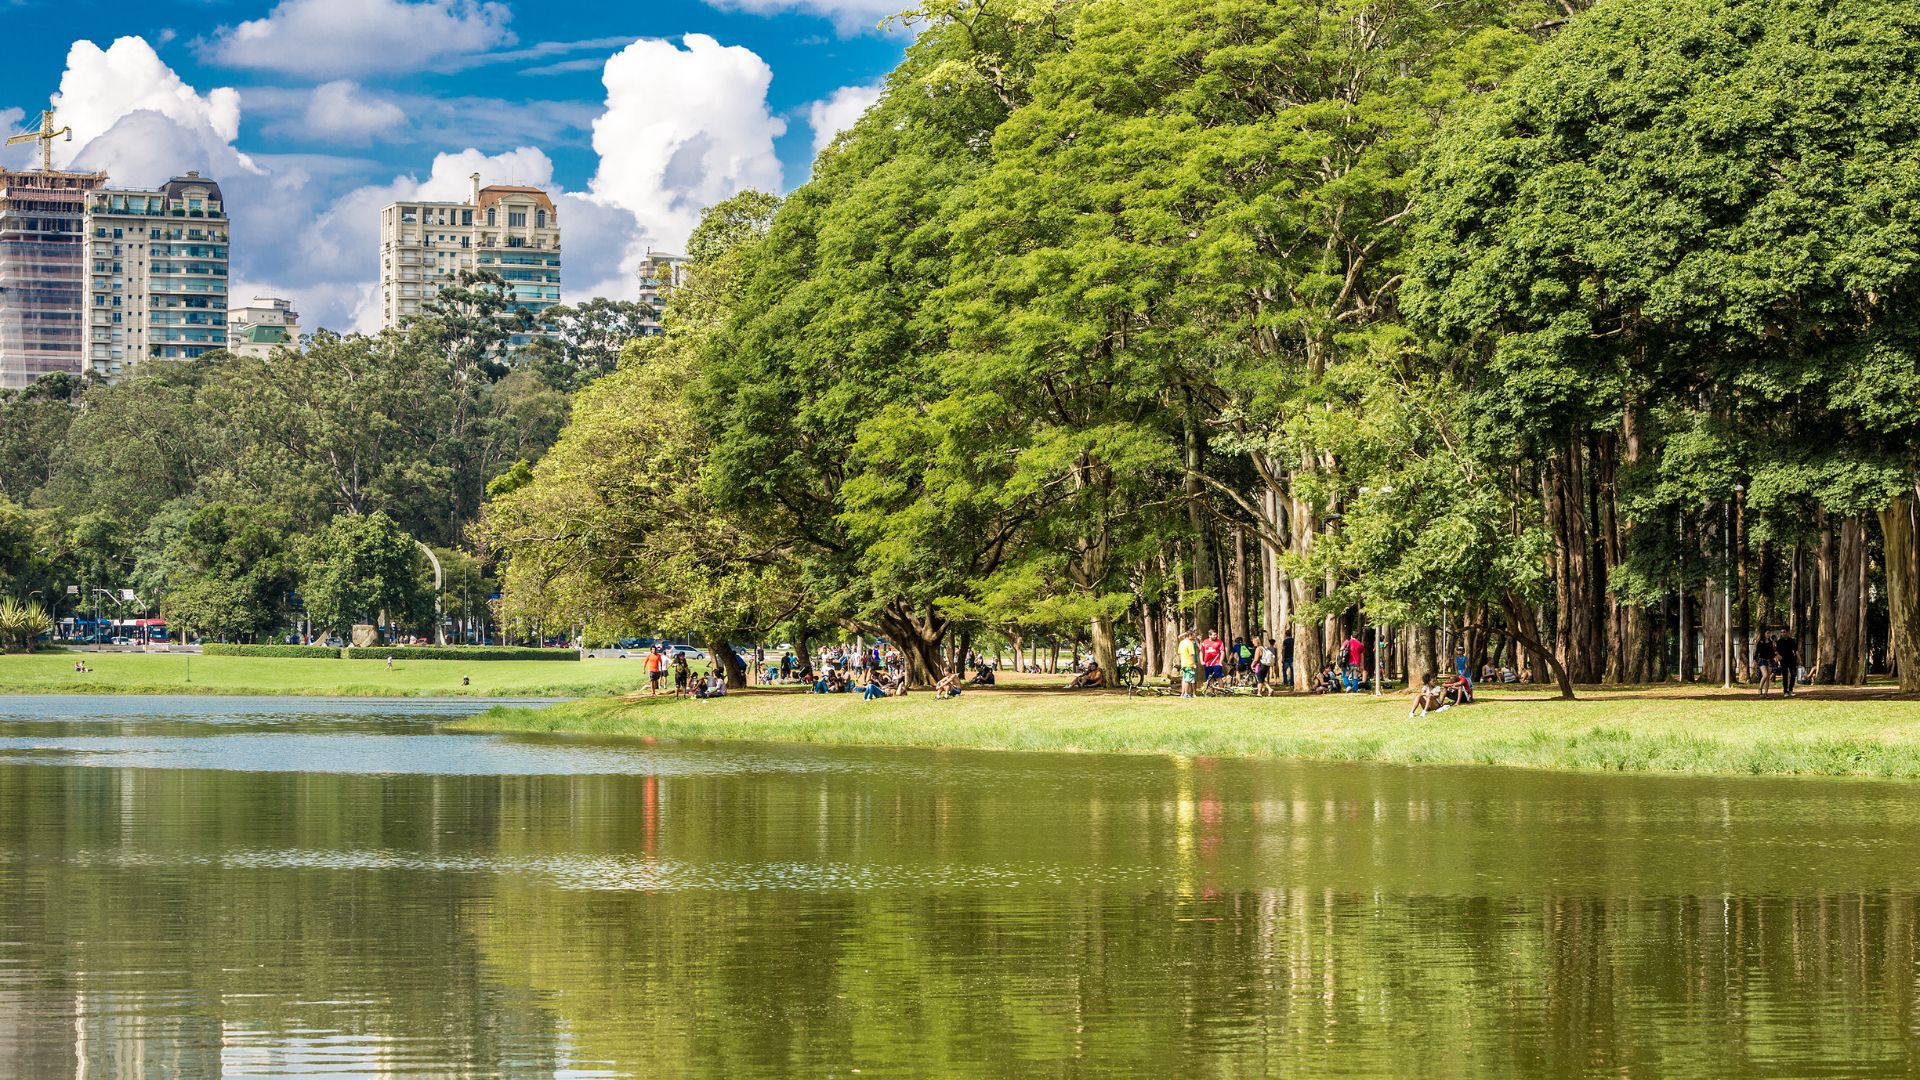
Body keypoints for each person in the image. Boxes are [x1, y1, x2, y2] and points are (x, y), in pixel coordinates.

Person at [1774, 630, 1801, 697]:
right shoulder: (1779, 641)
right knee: (1785, 676)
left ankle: (1791, 690)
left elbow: (1796, 651)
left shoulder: (1791, 640)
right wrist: (1778, 656)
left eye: (1784, 632)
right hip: (1783, 661)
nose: (1782, 633)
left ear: (1787, 633)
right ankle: (1785, 691)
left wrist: (1799, 659)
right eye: (1781, 632)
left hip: (1791, 660)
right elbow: (1776, 651)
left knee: (1793, 674)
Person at [1177, 631, 1199, 699]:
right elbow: (1192, 654)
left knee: (1184, 679)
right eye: (1193, 635)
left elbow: (1179, 653)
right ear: (1190, 635)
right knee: (1188, 679)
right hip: (1189, 664)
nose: (1194, 637)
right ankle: (1186, 694)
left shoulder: (1182, 642)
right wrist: (1194, 663)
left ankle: (1183, 693)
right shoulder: (1190, 643)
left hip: (1183, 663)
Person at [1755, 631, 1777, 696]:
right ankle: (1760, 688)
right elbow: (1757, 652)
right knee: (1765, 675)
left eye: (1769, 633)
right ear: (1764, 634)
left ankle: (1766, 693)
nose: (1768, 634)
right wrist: (1754, 660)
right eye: (1767, 633)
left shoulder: (1770, 642)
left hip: (1769, 660)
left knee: (1767, 678)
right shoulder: (1760, 642)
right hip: (1762, 660)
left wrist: (1775, 657)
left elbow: (1772, 652)